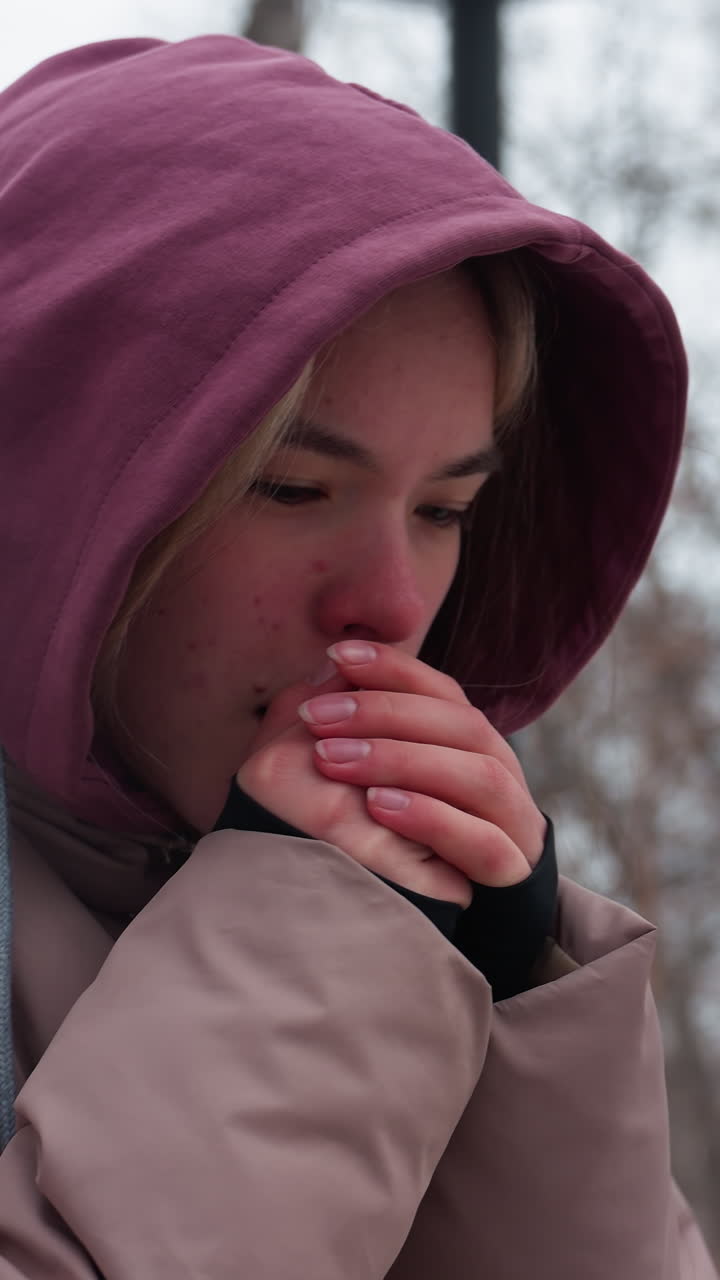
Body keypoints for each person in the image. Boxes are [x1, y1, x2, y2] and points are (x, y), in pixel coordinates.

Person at [0, 33, 714, 1279]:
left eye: (446, 510)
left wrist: (510, 1002)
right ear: (49, 486)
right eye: (291, 487)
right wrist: (305, 970)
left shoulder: (427, 925)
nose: (392, 602)